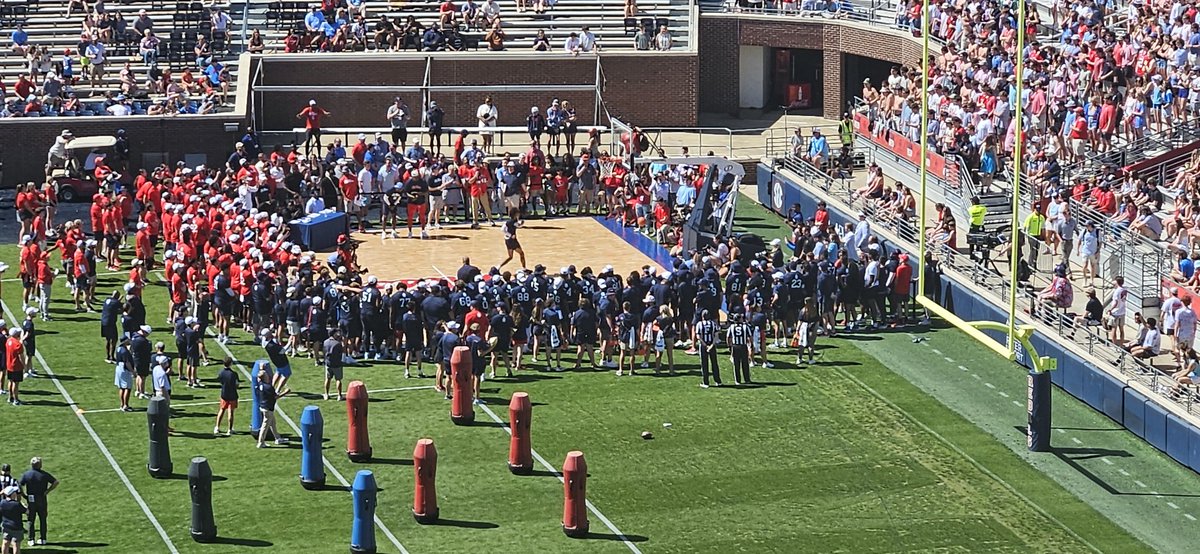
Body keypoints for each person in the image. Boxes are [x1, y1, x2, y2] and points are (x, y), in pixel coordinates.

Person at [18, 457, 56, 547]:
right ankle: (43, 538)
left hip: (31, 499)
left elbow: (19, 485)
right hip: (42, 499)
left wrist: (23, 495)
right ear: (40, 465)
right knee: (43, 519)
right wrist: (48, 491)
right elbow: (55, 482)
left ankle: (31, 539)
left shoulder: (27, 474)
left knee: (31, 519)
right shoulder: (44, 475)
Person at [255, 369, 289, 448]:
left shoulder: (260, 384)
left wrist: (261, 369)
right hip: (268, 408)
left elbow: (258, 377)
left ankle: (277, 438)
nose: (268, 376)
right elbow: (275, 397)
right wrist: (285, 392)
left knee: (273, 423)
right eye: (266, 375)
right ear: (264, 377)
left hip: (263, 406)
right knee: (265, 425)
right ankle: (260, 442)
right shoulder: (268, 387)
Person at [695, 309, 721, 388]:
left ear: (702, 317)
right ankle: (718, 381)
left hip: (703, 346)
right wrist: (711, 345)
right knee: (714, 363)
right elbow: (716, 336)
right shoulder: (713, 324)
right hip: (711, 345)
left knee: (704, 364)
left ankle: (706, 382)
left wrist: (705, 345)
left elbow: (698, 336)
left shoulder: (699, 324)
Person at [214, 357, 238, 436]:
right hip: (232, 394)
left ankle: (217, 427)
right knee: (230, 412)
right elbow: (236, 384)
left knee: (221, 410)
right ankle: (229, 429)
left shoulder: (221, 373)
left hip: (224, 394)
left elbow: (220, 381)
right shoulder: (233, 374)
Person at [726, 312, 753, 385]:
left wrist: (729, 346)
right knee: (745, 364)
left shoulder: (731, 327)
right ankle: (747, 379)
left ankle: (737, 380)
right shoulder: (745, 327)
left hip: (735, 346)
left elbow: (728, 337)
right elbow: (750, 336)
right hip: (743, 346)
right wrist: (751, 345)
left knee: (736, 364)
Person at [323, 329, 345, 401]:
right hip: (337, 364)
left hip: (328, 363)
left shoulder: (325, 342)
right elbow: (341, 353)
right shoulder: (337, 344)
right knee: (338, 380)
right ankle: (339, 395)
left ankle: (326, 394)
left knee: (328, 379)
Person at [113, 336, 134, 412]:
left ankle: (122, 404)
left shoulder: (119, 348)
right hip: (124, 369)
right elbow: (127, 362)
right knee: (127, 388)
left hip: (119, 368)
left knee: (121, 387)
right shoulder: (124, 351)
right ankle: (126, 405)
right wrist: (133, 372)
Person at [0, 485, 22, 553]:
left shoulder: (2, 503)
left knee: (5, 543)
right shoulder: (16, 504)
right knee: (15, 544)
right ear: (12, 494)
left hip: (6, 526)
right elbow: (27, 511)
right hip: (16, 527)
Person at [5, 329, 23, 406]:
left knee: (10, 381)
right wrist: (24, 366)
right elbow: (21, 356)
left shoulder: (8, 341)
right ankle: (16, 400)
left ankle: (10, 397)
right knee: (16, 383)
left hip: (9, 364)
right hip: (16, 366)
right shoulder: (18, 344)